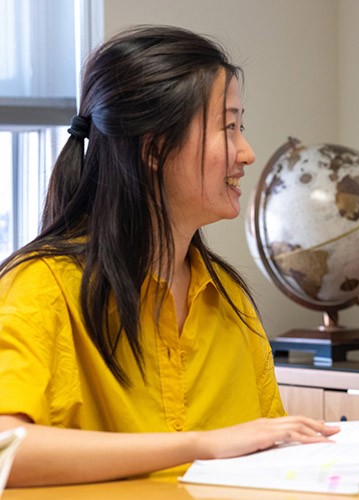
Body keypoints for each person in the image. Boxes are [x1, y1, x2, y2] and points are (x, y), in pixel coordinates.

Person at [0, 25, 338, 486]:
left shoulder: (229, 299)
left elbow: (265, 451)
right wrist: (199, 444)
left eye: (243, 126)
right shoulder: (40, 286)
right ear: (155, 147)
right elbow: (6, 452)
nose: (247, 152)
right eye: (229, 127)